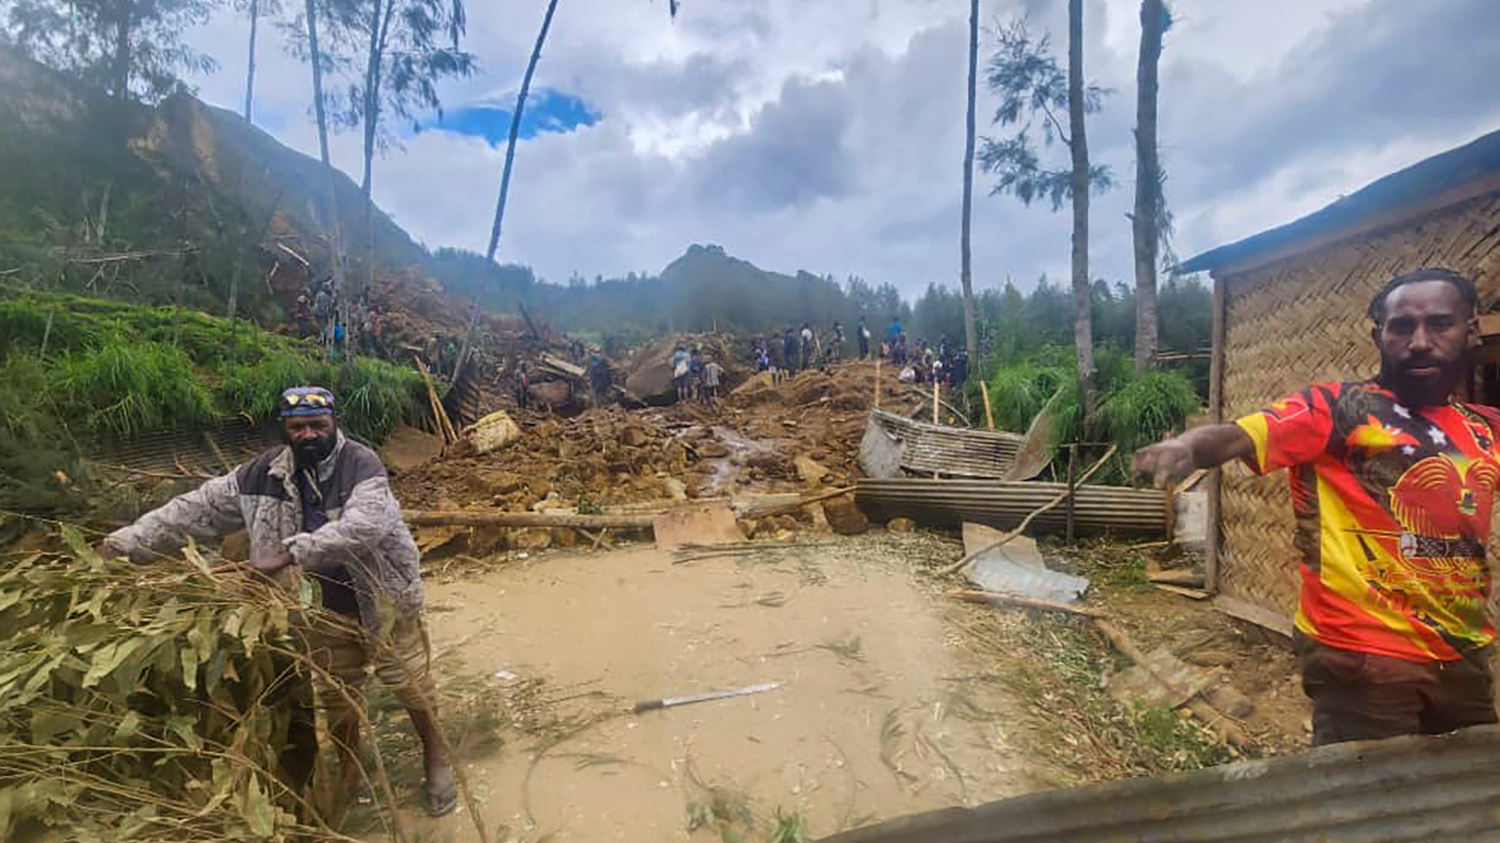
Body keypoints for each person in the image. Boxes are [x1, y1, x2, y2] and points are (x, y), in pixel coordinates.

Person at [1132, 268, 1499, 747]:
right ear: (1378, 335)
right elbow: (1239, 435)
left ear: (1471, 330)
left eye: (1439, 324)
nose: (1420, 341)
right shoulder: (1336, 408)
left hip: (1462, 650)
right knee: (1367, 801)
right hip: (1362, 650)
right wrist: (1186, 446)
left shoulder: (1484, 428)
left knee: (1467, 799)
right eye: (1402, 327)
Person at [101, 386, 457, 815]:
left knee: (410, 682)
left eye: (317, 425)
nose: (308, 434)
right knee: (337, 693)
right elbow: (194, 509)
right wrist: (128, 542)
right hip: (317, 606)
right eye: (297, 427)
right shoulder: (259, 474)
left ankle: (435, 759)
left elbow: (365, 526)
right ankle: (350, 768)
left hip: (382, 598)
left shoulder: (360, 464)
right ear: (284, 430)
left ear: (334, 424)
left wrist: (290, 554)